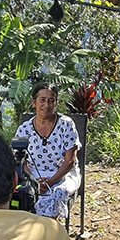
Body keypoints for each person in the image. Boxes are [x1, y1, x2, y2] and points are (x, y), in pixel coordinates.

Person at [13, 83, 82, 219]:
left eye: (51, 101)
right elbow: (20, 161)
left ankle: (48, 229)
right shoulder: (24, 129)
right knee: (21, 195)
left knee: (57, 194)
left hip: (63, 175)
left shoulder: (66, 124)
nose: (47, 105)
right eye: (42, 100)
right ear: (34, 103)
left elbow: (70, 161)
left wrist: (50, 183)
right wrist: (34, 182)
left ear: (56, 104)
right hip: (33, 175)